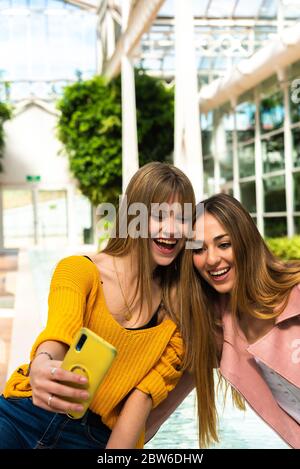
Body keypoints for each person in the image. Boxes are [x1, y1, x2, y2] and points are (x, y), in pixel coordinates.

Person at [0, 162, 195, 449]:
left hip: (91, 438)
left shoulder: (176, 314)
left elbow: (141, 401)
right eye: (159, 216)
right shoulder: (80, 271)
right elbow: (59, 334)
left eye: (181, 219)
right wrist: (41, 365)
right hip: (24, 416)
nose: (171, 230)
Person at [183, 193, 300, 448]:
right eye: (199, 249)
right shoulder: (217, 333)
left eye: (223, 244)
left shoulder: (297, 290)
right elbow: (161, 392)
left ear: (245, 241)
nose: (212, 259)